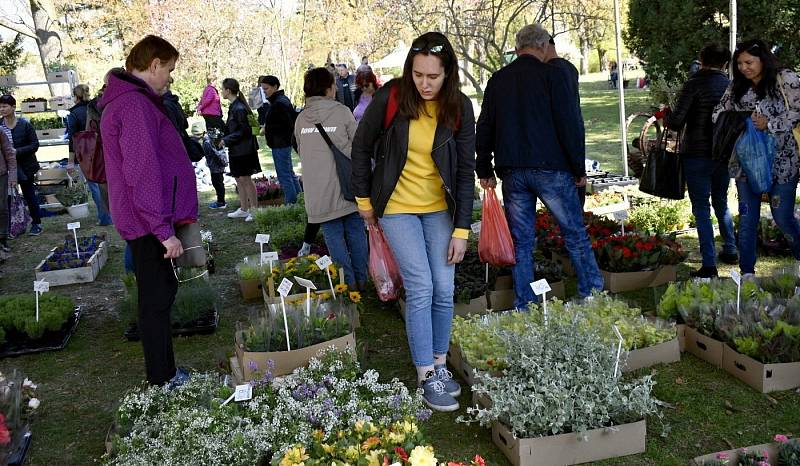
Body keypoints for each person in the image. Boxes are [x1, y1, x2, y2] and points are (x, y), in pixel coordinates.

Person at [352, 31, 476, 412]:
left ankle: (440, 365)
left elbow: (466, 169)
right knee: (421, 285)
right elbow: (360, 147)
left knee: (443, 285)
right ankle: (425, 375)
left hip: (439, 208)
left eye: (432, 76)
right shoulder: (392, 97)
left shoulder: (459, 108)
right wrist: (364, 201)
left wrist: (461, 229)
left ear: (448, 73)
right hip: (397, 207)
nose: (424, 83)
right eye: (418, 74)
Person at [476, 23, 603, 308]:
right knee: (574, 234)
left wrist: (483, 168)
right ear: (544, 46)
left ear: (518, 48)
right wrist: (577, 167)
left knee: (522, 243)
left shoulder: (498, 79)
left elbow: (484, 126)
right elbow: (569, 124)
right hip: (551, 168)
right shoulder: (553, 75)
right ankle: (591, 294)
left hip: (512, 171)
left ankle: (526, 303)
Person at [98, 35, 197, 387]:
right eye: (169, 69)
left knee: (158, 299)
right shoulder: (133, 105)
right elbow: (142, 171)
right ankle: (162, 378)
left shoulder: (128, 101)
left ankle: (166, 372)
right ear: (153, 64)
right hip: (147, 223)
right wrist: (162, 229)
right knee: (156, 302)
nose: (170, 77)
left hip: (145, 220)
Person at [712, 39, 800, 277]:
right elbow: (718, 113)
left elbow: (797, 110)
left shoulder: (786, 79)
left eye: (749, 62)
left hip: (783, 161)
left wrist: (770, 123)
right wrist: (743, 120)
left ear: (763, 59)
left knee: (782, 217)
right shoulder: (736, 87)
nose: (744, 68)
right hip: (745, 164)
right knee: (748, 219)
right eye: (739, 63)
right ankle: (747, 275)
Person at [660, 44, 737, 278]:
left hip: (696, 154)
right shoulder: (731, 86)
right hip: (722, 153)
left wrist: (666, 113)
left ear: (701, 59)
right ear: (725, 63)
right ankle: (731, 249)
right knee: (721, 202)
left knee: (702, 208)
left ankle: (709, 263)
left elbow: (675, 123)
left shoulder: (693, 84)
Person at [294, 68, 368, 287]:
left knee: (334, 238)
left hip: (318, 192)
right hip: (347, 185)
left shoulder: (300, 119)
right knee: (355, 232)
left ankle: (347, 284)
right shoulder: (342, 112)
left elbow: (301, 150)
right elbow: (359, 147)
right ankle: (361, 280)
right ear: (328, 87)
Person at [544, 36, 586, 207]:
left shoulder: (551, 71)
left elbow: (567, 118)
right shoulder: (569, 68)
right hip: (570, 149)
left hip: (559, 155)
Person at [67, 84, 113, 226]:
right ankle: (108, 215)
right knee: (104, 183)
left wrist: (70, 160)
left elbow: (72, 137)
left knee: (95, 184)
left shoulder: (74, 113)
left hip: (86, 152)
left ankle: (105, 217)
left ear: (76, 96)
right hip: (102, 149)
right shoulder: (97, 106)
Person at [0, 94, 42, 236]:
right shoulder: (0, 126)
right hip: (6, 168)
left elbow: (35, 144)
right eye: (0, 106)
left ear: (13, 107)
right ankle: (12, 227)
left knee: (29, 194)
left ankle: (36, 223)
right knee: (7, 198)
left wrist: (16, 151)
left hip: (25, 166)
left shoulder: (24, 124)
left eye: (5, 106)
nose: (2, 109)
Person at [221, 78, 261, 222]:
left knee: (246, 179)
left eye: (223, 89)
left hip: (244, 150)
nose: (221, 91)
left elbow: (244, 131)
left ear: (228, 90)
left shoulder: (239, 108)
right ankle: (244, 209)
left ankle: (254, 209)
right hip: (236, 149)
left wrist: (226, 140)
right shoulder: (234, 106)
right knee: (238, 178)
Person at [260, 75, 302, 204]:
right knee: (289, 173)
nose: (264, 91)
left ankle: (291, 203)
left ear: (275, 87)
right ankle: (300, 200)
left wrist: (268, 129)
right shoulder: (278, 101)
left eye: (266, 88)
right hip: (281, 142)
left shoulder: (279, 103)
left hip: (281, 143)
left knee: (284, 176)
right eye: (263, 89)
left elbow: (287, 125)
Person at [191, 122, 227, 208]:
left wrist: (220, 163)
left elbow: (215, 154)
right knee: (218, 183)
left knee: (217, 184)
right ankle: (221, 201)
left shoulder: (206, 142)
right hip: (216, 166)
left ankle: (221, 202)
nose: (197, 137)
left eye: (198, 134)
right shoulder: (208, 138)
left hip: (216, 167)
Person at [0, 129, 16, 255]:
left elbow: (10, 153)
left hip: (1, 175)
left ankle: (3, 238)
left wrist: (12, 176)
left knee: (2, 208)